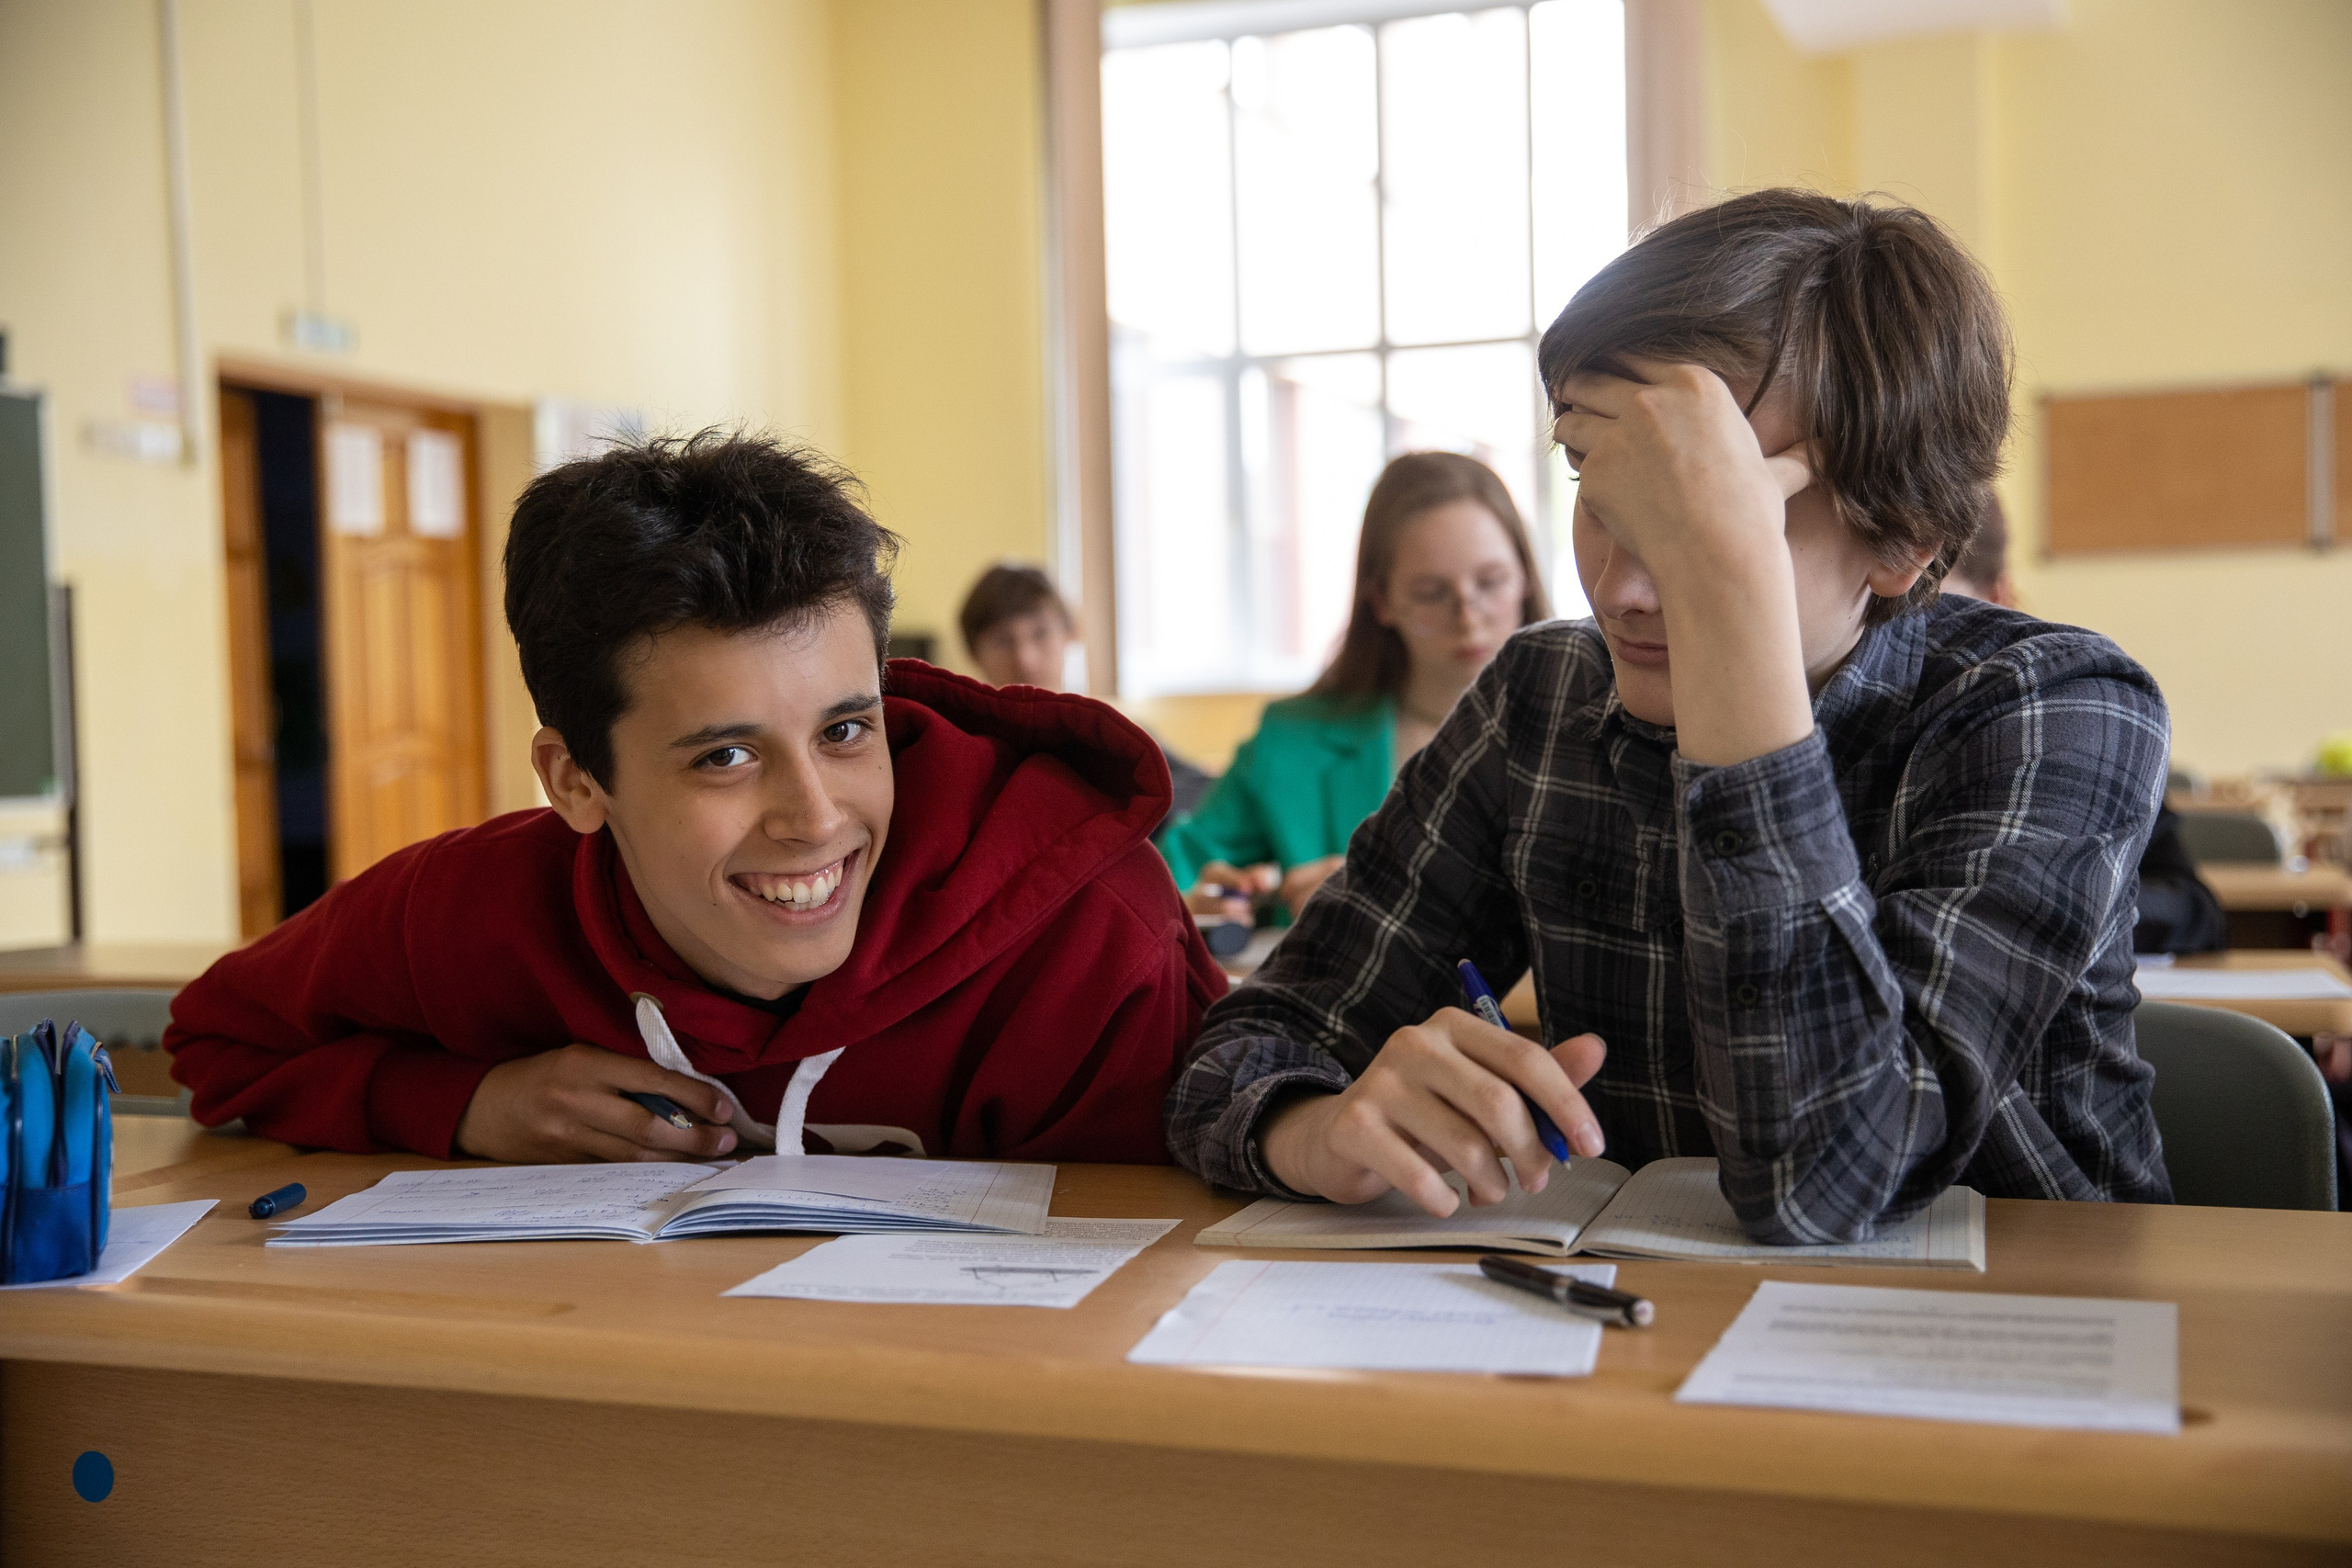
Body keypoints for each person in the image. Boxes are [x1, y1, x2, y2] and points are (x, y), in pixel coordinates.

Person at [1165, 189, 2173, 1242]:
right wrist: (1311, 1129)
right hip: (1652, 1345)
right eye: (1602, 485)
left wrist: (1726, 612)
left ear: (1906, 538)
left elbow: (1830, 1177)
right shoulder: (1541, 699)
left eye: (1712, 510)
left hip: (2031, 1337)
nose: (1628, 589)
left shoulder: (2055, 708)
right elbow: (1249, 1043)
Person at [166, 433, 1227, 1164]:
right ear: (576, 782)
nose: (812, 815)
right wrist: (468, 1105)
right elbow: (217, 1038)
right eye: (724, 757)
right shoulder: (468, 912)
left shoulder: (1087, 937)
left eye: (845, 730)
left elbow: (1154, 1282)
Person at [1156, 452, 1550, 926]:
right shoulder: (1290, 744)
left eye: (1491, 581)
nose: (1468, 617)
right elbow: (1164, 883)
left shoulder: (1599, 730)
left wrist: (1380, 896)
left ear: (1526, 578)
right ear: (1381, 602)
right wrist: (1202, 903)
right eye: (1430, 592)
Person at [1941, 493, 2224, 955]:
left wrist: (2072, 901)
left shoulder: (2078, 721)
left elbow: (2197, 912)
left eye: (1936, 619)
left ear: (1999, 596)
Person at [956, 562, 1212, 818]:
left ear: (1071, 633)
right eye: (1003, 642)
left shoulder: (1119, 734)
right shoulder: (964, 753)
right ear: (973, 654)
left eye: (1040, 634)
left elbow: (1207, 792)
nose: (1026, 659)